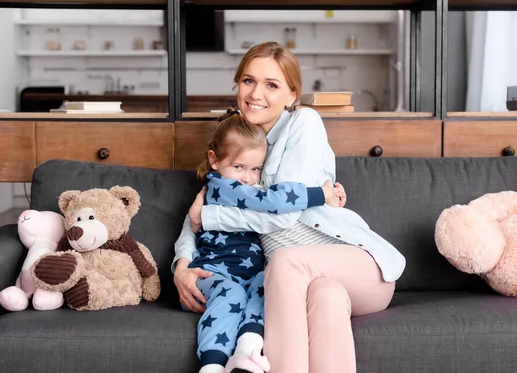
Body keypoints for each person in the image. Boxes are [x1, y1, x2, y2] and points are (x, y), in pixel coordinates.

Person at [173, 41, 406, 373]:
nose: (256, 93)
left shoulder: (304, 123)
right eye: (248, 81)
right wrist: (182, 266)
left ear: (291, 95)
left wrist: (210, 216)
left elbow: (284, 215)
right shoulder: (238, 142)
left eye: (272, 85)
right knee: (323, 297)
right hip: (311, 279)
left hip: (358, 266)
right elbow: (197, 210)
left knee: (283, 264)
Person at [182, 108, 345, 373]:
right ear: (214, 160)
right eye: (239, 167)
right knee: (232, 293)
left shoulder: (243, 186)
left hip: (247, 274)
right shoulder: (224, 187)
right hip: (211, 275)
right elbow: (274, 201)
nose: (247, 177)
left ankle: (247, 351)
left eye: (256, 168)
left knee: (268, 284)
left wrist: (332, 188)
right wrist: (321, 193)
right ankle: (211, 365)